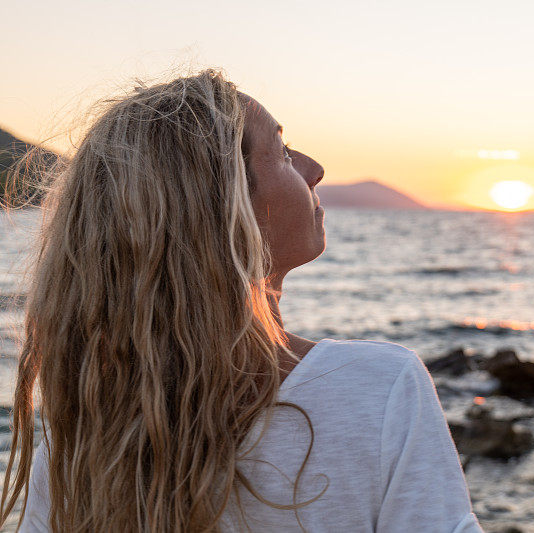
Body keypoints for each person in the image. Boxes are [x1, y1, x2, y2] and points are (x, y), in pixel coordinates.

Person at [0, 69, 483, 532]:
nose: (315, 170)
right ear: (224, 209)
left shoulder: (82, 440)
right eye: (284, 152)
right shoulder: (376, 389)